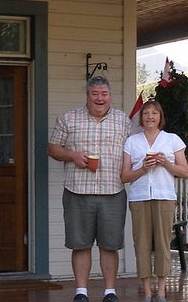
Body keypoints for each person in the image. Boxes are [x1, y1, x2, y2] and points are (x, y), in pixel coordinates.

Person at [47, 76, 131, 302]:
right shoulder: (68, 118)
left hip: (113, 191)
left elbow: (133, 151)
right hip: (77, 191)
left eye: (104, 94)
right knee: (80, 244)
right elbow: (53, 148)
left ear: (110, 96)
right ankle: (81, 292)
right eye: (95, 94)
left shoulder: (124, 121)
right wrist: (72, 155)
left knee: (109, 244)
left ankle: (110, 292)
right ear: (87, 96)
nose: (100, 98)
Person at [121, 100, 188, 302]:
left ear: (160, 117)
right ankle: (147, 293)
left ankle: (161, 292)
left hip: (164, 197)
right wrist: (143, 168)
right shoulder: (132, 142)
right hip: (139, 198)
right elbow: (124, 176)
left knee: (162, 244)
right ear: (141, 118)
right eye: (146, 113)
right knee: (141, 244)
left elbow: (185, 172)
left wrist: (165, 163)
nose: (150, 117)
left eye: (154, 113)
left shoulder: (172, 140)